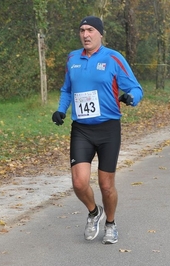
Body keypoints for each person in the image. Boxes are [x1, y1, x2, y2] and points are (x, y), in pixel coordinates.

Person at [51, 16, 143, 244]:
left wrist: (131, 98)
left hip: (108, 129)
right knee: (79, 182)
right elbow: (66, 89)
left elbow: (135, 87)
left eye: (90, 30)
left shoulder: (113, 58)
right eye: (82, 30)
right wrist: (61, 110)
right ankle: (94, 213)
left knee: (106, 184)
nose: (85, 34)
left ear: (100, 33)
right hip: (81, 129)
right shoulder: (73, 58)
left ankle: (110, 224)